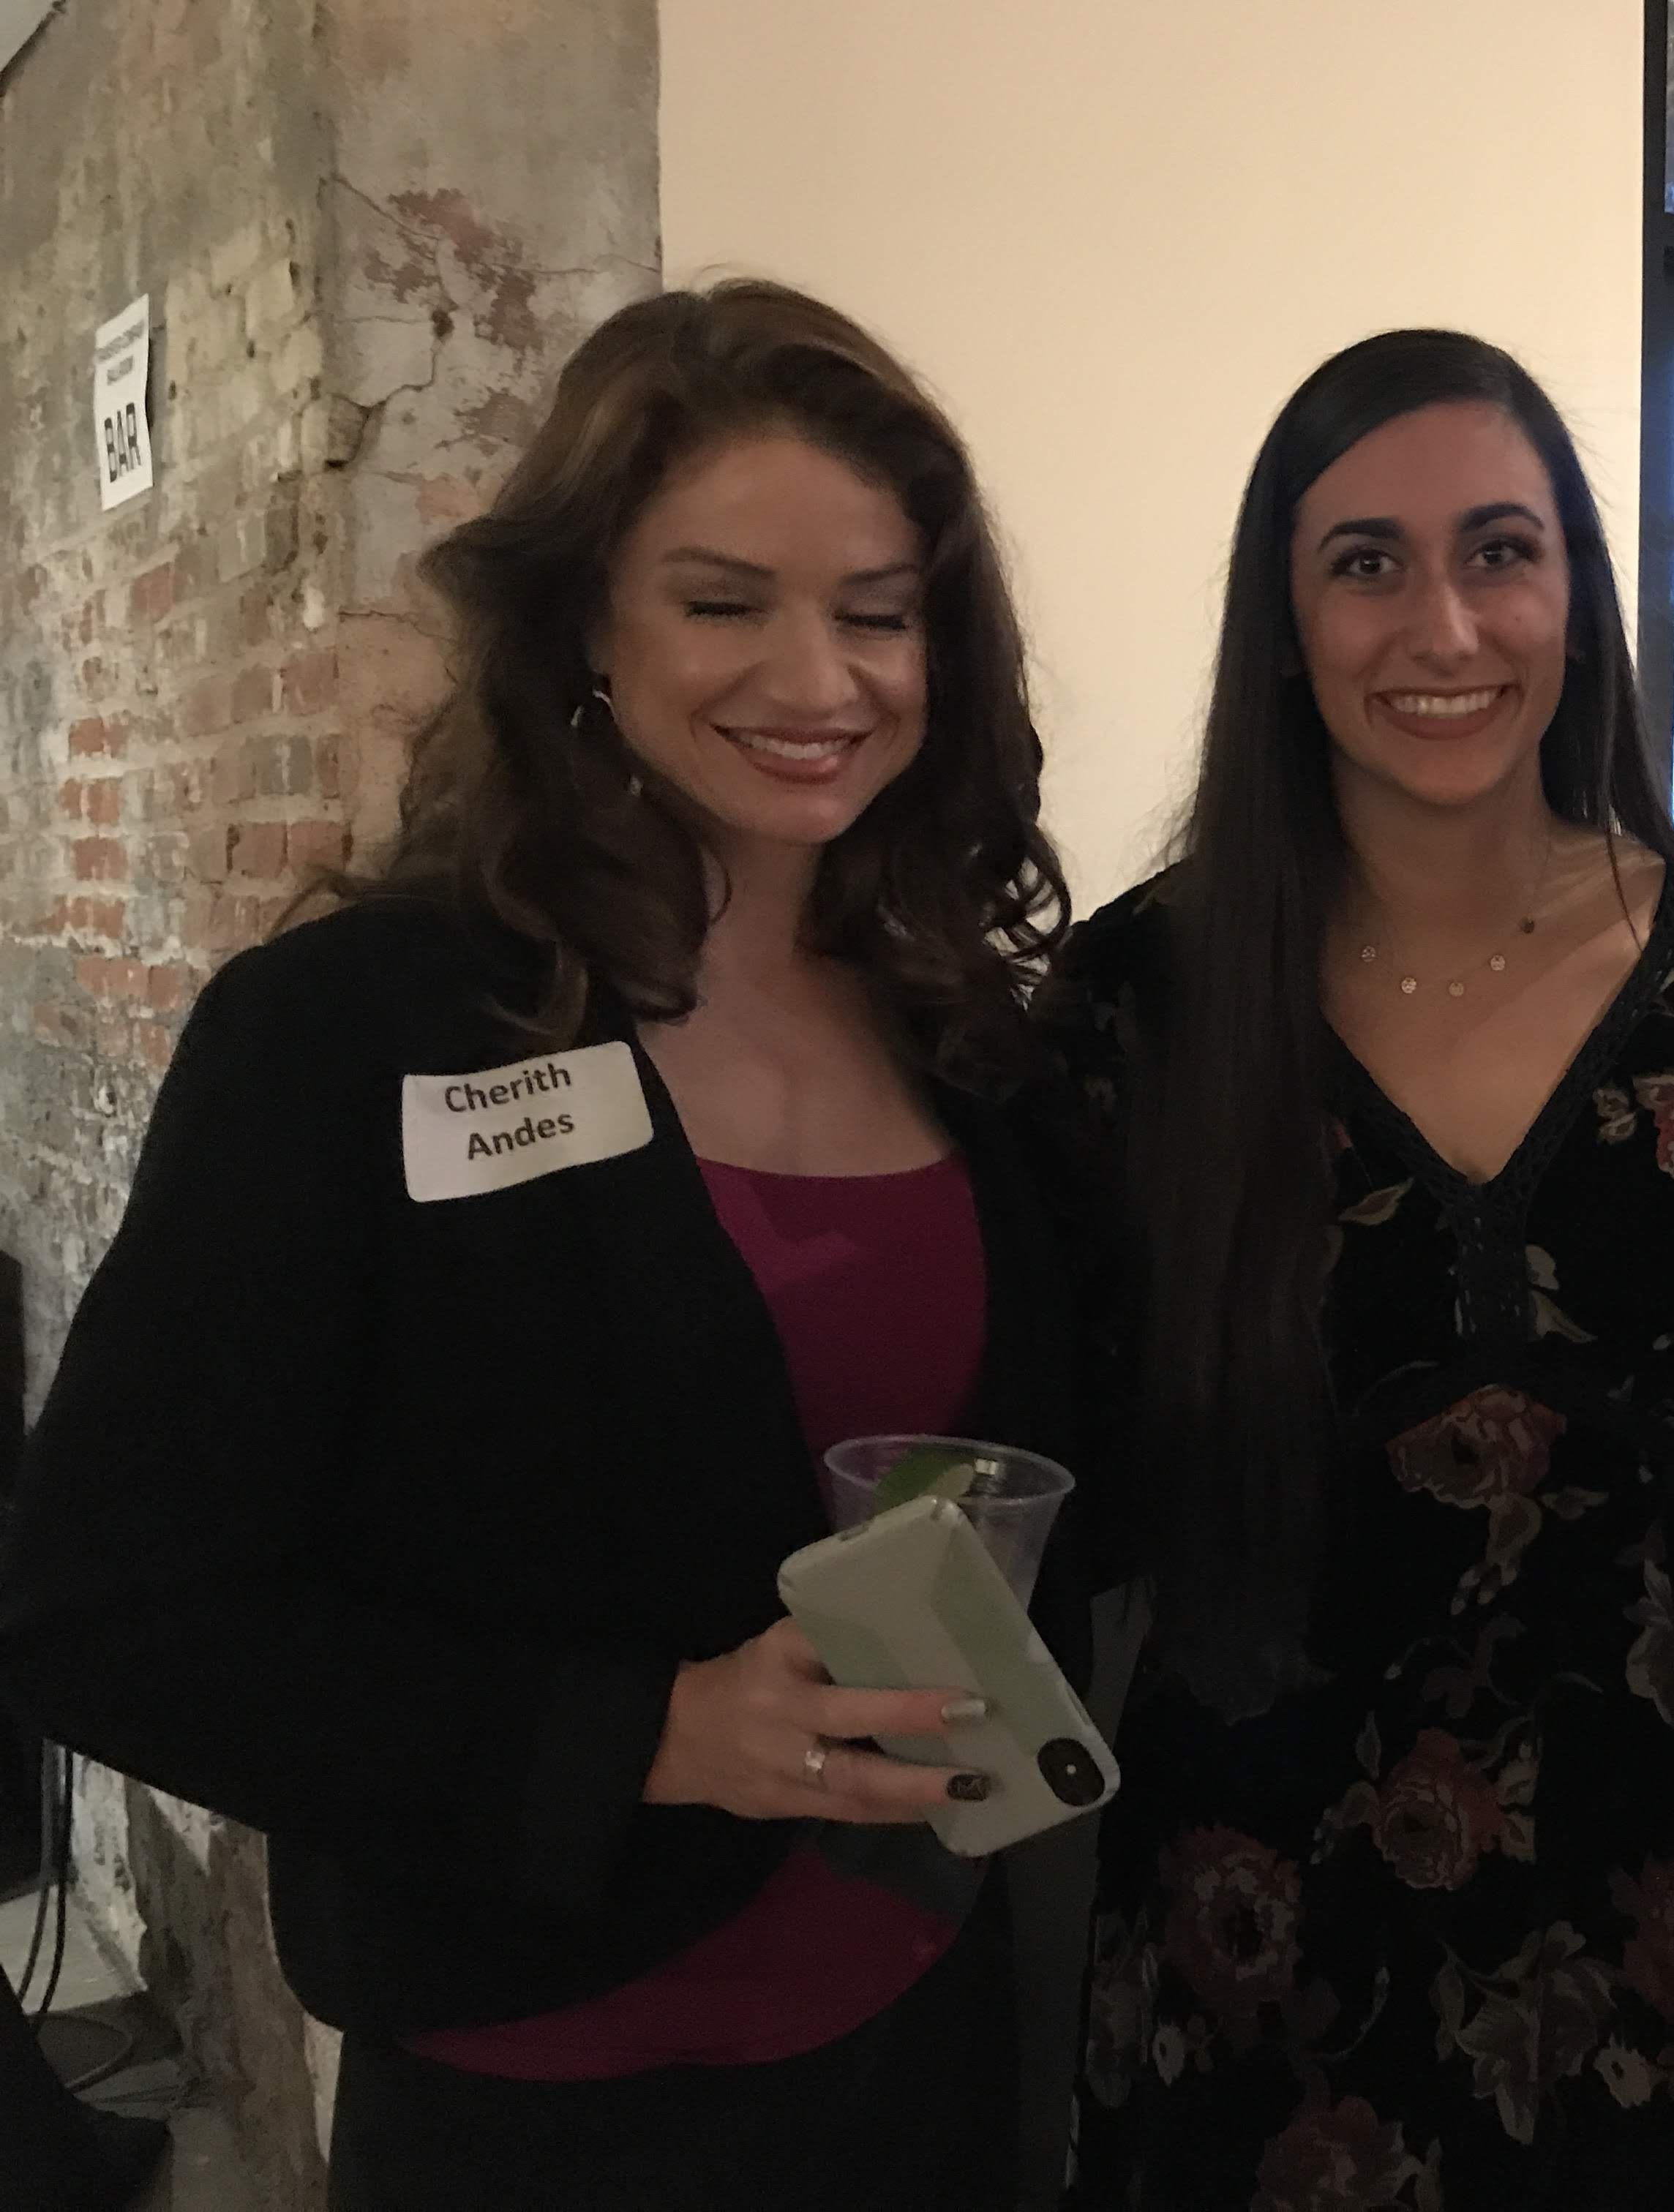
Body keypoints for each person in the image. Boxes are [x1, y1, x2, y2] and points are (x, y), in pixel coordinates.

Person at [0, 280, 1101, 2211]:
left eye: (877, 611)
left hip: (927, 2038)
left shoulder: (964, 1033)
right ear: (587, 621)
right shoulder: (358, 1032)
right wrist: (650, 1736)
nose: (819, 677)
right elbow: (105, 1618)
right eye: (725, 602)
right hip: (545, 2096)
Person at [1044, 329, 1674, 2208]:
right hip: (1261, 1904)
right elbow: (1071, 1450)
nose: (1444, 625)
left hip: (1670, 1873)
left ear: (1576, 594)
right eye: (1368, 564)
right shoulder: (1143, 999)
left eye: (1501, 552)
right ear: (1285, 625)